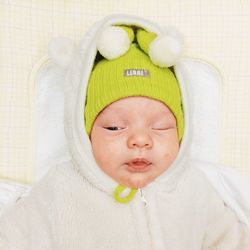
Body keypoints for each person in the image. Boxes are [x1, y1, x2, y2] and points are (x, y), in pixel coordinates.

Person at [0, 14, 249, 250]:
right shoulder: (60, 188)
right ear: (84, 134)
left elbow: (233, 242)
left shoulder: (195, 188)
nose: (140, 140)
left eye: (160, 127)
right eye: (115, 127)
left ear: (182, 134)